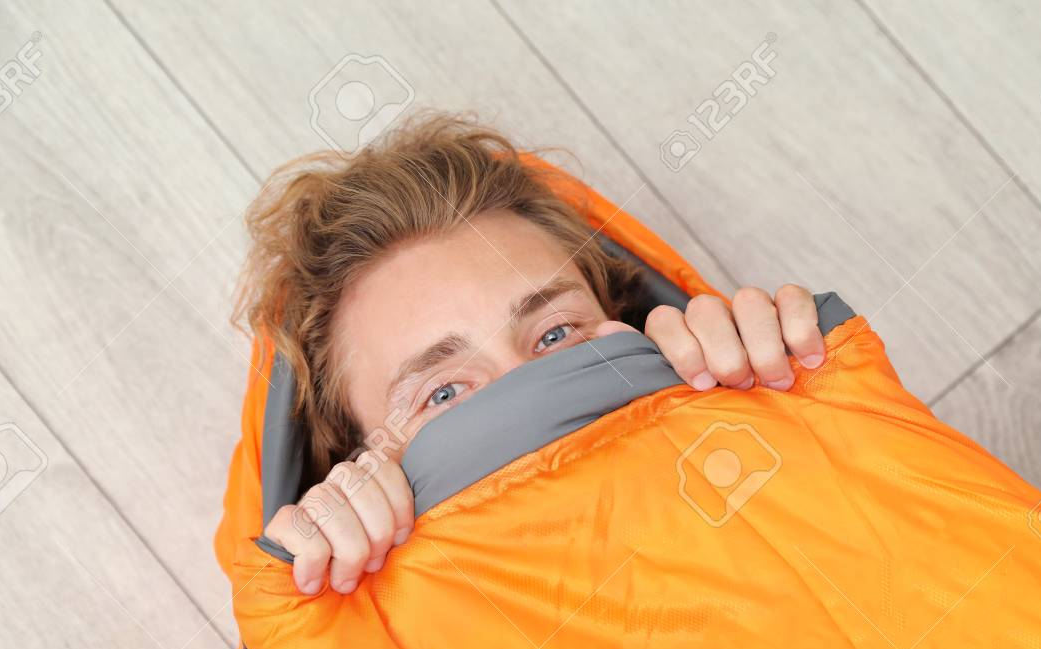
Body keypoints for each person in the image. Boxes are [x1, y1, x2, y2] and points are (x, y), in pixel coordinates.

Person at [236, 113, 827, 597]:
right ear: (358, 468)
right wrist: (317, 612)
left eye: (554, 335)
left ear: (626, 318)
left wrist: (809, 402)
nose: (534, 393)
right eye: (443, 394)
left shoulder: (777, 420)